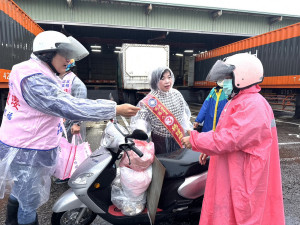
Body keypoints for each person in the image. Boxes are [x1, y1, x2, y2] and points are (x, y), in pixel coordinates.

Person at [0, 30, 140, 225]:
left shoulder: (33, 70)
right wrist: (114, 108)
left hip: (25, 144)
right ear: (46, 54)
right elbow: (68, 105)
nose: (69, 60)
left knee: (21, 192)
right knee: (28, 203)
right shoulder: (34, 78)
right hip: (27, 149)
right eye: (64, 55)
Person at [181, 53, 285, 225]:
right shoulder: (239, 100)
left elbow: (230, 139)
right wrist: (209, 152)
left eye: (229, 77)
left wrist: (195, 140)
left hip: (243, 175)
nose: (225, 82)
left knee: (242, 215)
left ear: (243, 76)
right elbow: (227, 133)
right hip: (233, 169)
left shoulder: (253, 104)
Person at [130, 67, 192, 155]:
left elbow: (183, 116)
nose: (167, 81)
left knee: (178, 164)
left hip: (178, 138)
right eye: (162, 78)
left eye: (169, 77)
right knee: (163, 165)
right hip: (160, 142)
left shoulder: (177, 94)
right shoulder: (150, 100)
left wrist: (191, 133)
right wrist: (140, 132)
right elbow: (141, 120)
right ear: (155, 81)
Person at [54, 59, 88, 184]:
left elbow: (80, 105)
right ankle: (65, 172)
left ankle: (72, 175)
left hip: (72, 124)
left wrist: (76, 123)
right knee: (64, 149)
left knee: (73, 149)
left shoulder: (76, 83)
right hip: (62, 123)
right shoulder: (59, 80)